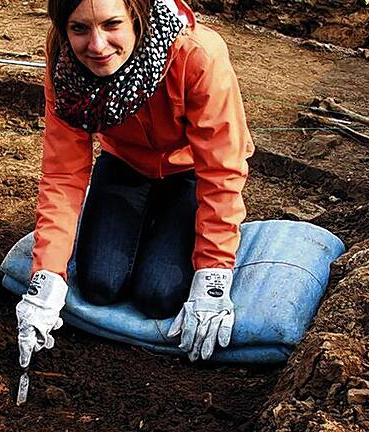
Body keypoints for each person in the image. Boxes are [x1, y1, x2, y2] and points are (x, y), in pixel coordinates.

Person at [15, 0, 253, 367]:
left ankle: (174, 225)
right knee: (98, 284)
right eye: (79, 28)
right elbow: (63, 173)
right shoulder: (63, 66)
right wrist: (45, 276)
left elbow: (221, 170)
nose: (97, 46)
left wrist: (214, 273)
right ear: (63, 28)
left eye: (112, 24)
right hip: (125, 164)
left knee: (158, 295)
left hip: (189, 171)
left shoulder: (196, 54)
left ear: (136, 17)